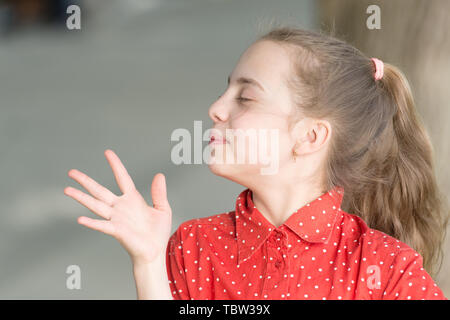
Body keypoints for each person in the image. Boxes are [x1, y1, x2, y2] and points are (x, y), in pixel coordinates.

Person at [64, 27, 448, 300]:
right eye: (225, 90)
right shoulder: (193, 247)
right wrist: (148, 262)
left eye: (244, 98)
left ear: (310, 136)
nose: (215, 109)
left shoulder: (388, 271)